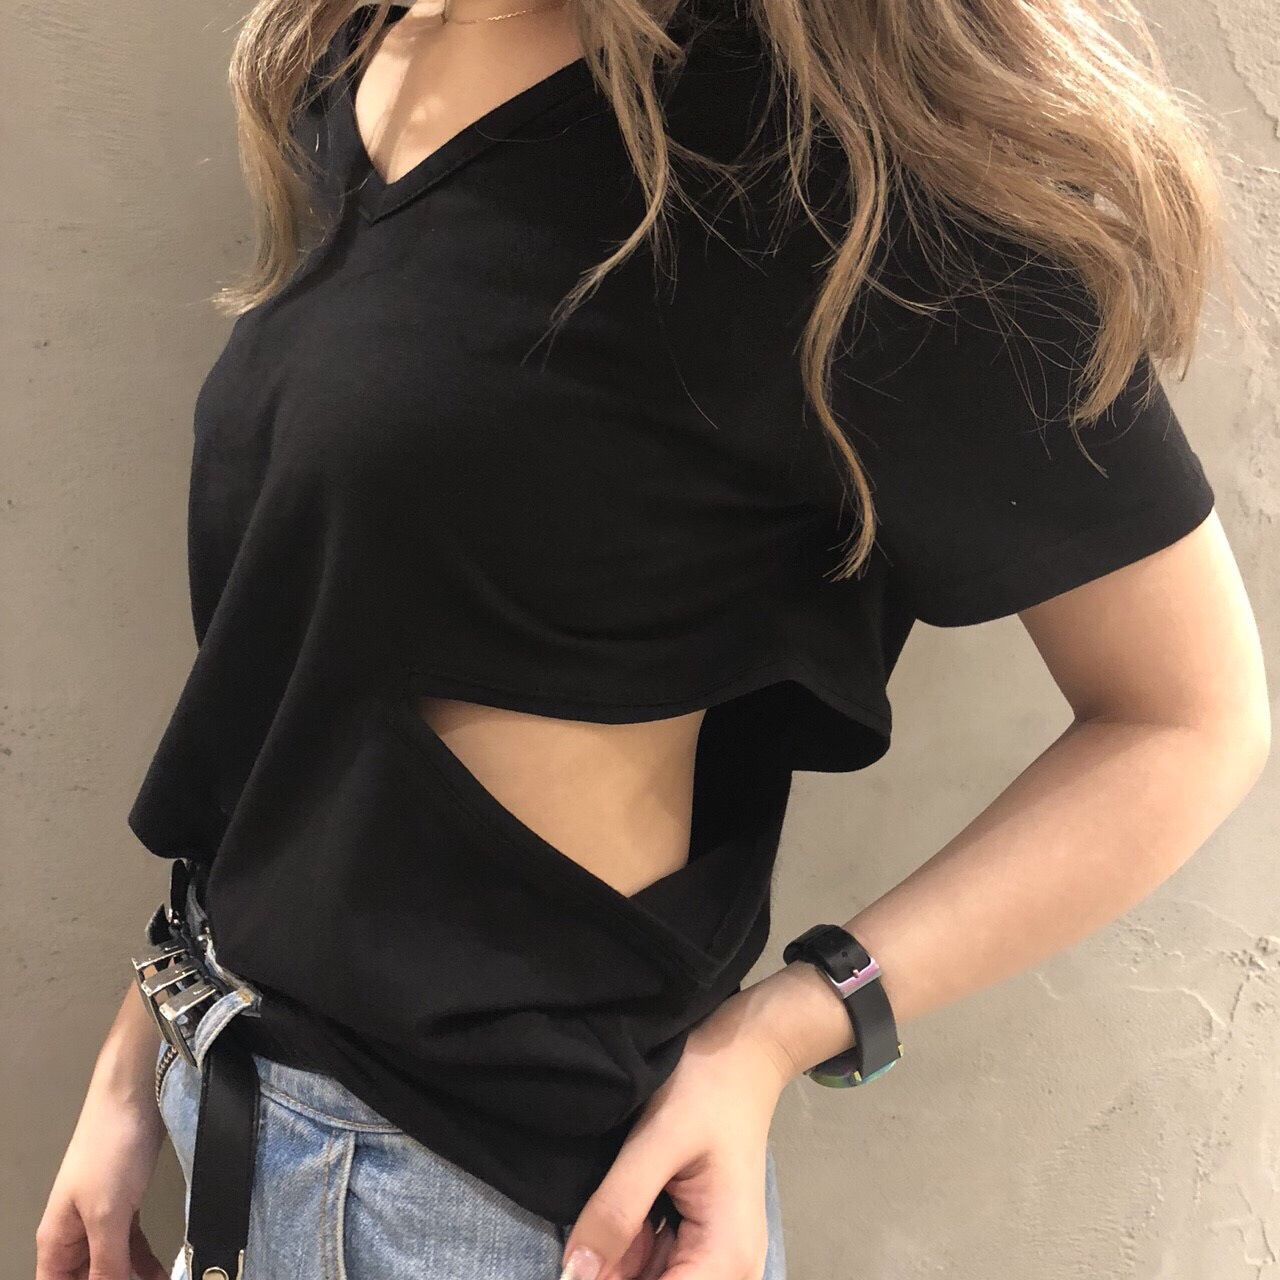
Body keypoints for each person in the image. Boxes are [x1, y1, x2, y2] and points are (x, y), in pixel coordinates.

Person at [35, 0, 1270, 1277]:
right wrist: (149, 1041)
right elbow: (305, 669)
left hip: (484, 1207)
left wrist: (790, 1026)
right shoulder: (362, 59)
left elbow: (1186, 716)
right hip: (239, 1105)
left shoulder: (843, 171)